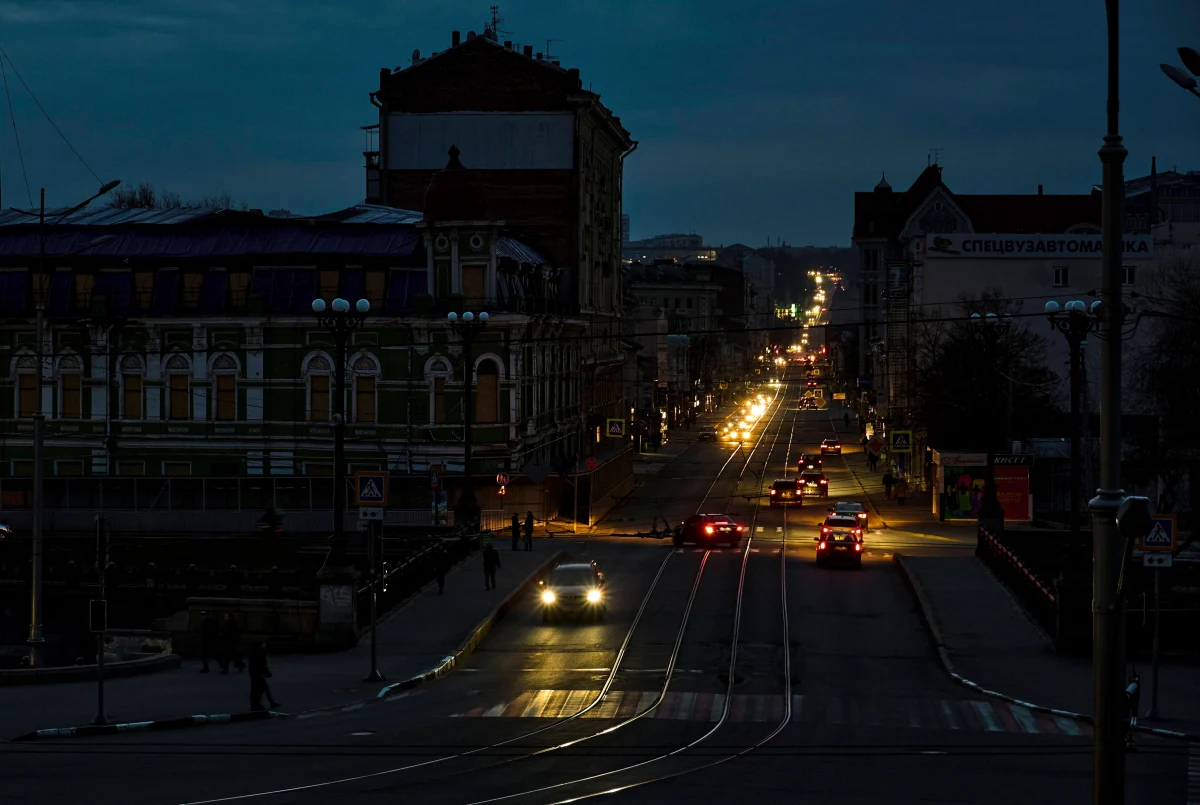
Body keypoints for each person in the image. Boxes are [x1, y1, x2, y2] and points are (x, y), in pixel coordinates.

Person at [247, 640, 281, 711]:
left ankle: (270, 702)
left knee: (263, 688)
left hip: (256, 673)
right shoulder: (259, 653)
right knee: (258, 689)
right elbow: (261, 665)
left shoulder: (256, 652)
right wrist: (264, 672)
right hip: (258, 673)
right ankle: (256, 705)